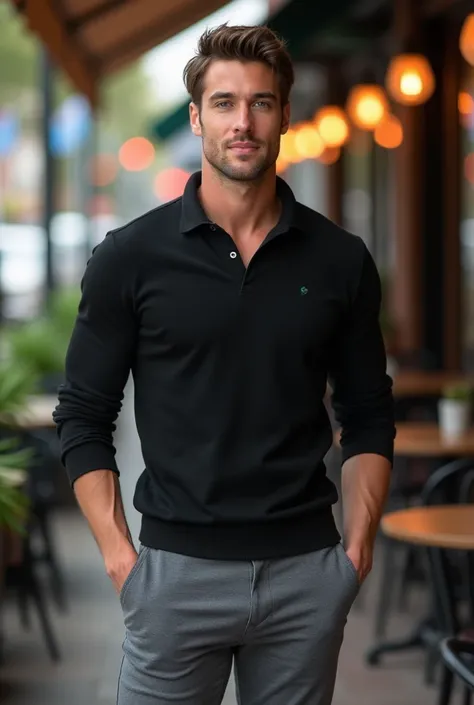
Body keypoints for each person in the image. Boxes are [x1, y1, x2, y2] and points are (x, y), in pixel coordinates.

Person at [53, 23, 395, 705]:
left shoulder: (339, 260)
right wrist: (125, 562)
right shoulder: (131, 257)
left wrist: (354, 553)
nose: (244, 121)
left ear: (285, 115)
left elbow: (368, 416)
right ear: (196, 116)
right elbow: (84, 417)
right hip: (176, 576)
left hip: (306, 574)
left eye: (262, 103)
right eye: (225, 102)